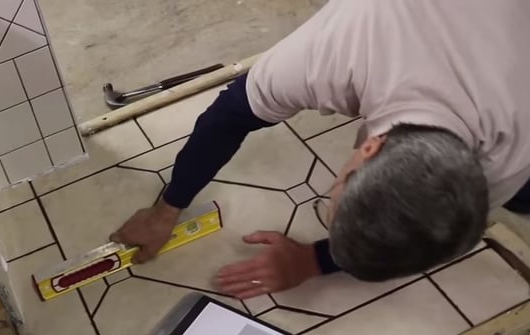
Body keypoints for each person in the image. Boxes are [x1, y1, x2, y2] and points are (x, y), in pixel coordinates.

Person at [111, 0, 530, 300]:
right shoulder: (338, 50)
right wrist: (166, 209)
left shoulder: (511, 149)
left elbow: (424, 239)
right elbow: (229, 116)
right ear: (368, 148)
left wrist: (311, 261)